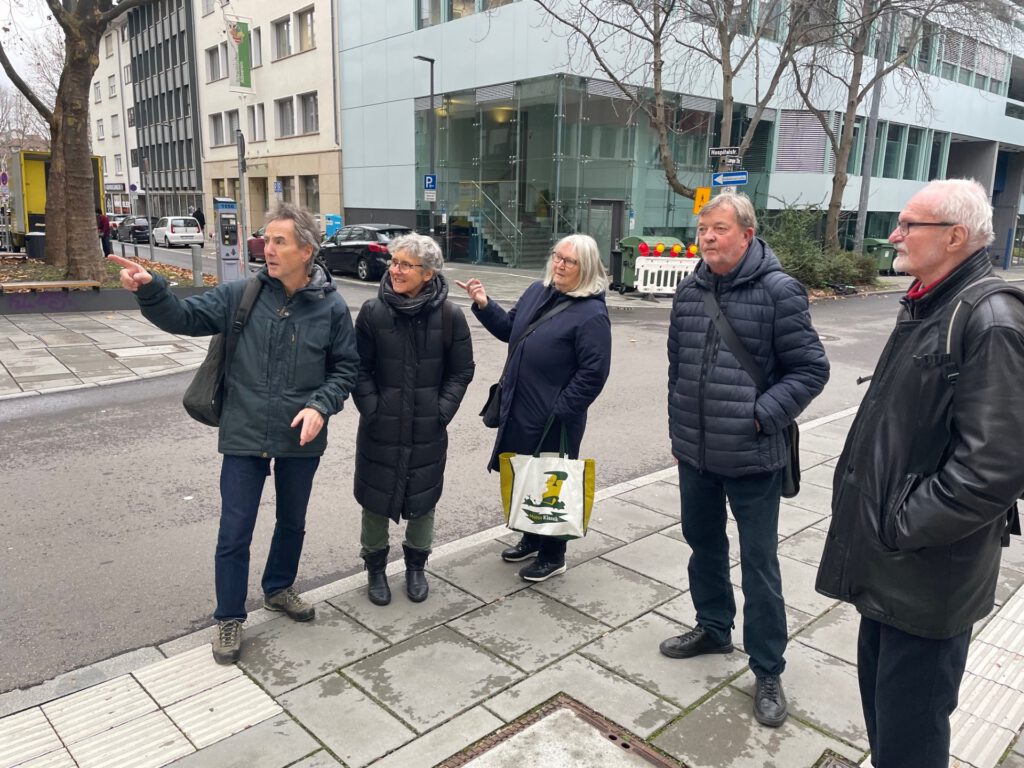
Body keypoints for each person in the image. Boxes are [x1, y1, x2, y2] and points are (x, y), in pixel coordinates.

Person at [816, 179, 1024, 767]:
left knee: (911, 739)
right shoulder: (933, 301)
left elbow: (995, 468)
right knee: (887, 724)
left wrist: (898, 526)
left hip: (926, 576)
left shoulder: (989, 318)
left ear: (955, 236)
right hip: (895, 570)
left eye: (909, 225)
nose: (894, 235)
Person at [108, 201, 359, 665]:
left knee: (292, 521)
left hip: (299, 435)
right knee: (235, 528)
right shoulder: (242, 294)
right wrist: (151, 289)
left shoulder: (332, 308)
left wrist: (321, 406)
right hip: (244, 430)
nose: (267, 248)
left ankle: (279, 589)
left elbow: (346, 369)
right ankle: (228, 616)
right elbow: (183, 318)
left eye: (279, 241)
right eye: (266, 239)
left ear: (307, 250)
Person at [661, 192, 829, 728]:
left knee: (760, 565)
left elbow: (810, 370)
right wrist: (679, 430)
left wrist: (761, 416)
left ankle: (768, 668)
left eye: (718, 228)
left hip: (754, 455)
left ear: (747, 234)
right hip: (696, 454)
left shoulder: (780, 292)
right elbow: (677, 368)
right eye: (703, 228)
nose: (707, 237)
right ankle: (713, 628)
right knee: (702, 545)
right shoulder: (689, 291)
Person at [456, 233, 612, 582]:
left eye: (569, 261)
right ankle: (530, 536)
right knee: (527, 475)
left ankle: (554, 554)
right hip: (520, 406)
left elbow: (594, 373)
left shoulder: (591, 313)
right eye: (557, 256)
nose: (559, 264)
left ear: (584, 268)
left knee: (552, 484)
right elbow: (511, 329)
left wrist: (560, 410)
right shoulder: (536, 292)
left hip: (554, 417)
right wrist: (483, 303)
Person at [353, 233, 474, 605]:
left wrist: (441, 412)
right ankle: (375, 569)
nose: (395, 270)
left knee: (423, 500)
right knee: (375, 499)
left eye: (406, 264)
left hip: (427, 428)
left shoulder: (450, 315)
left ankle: (416, 566)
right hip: (380, 427)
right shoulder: (373, 312)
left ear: (428, 273)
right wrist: (373, 409)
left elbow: (462, 371)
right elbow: (357, 369)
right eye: (394, 262)